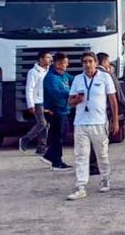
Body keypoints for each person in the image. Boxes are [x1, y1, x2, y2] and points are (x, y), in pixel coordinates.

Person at [67, 52, 119, 200]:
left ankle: (105, 179)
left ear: (96, 62)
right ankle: (81, 186)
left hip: (99, 122)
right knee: (81, 156)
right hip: (81, 123)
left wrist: (115, 120)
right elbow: (70, 101)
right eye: (85, 62)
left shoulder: (104, 77)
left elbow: (113, 101)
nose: (88, 65)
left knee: (101, 153)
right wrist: (76, 100)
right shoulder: (78, 79)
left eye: (90, 61)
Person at [42, 54, 73, 172]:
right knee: (58, 136)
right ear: (58, 64)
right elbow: (56, 93)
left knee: (64, 133)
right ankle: (57, 161)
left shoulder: (64, 75)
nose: (67, 65)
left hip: (64, 109)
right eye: (65, 63)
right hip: (54, 110)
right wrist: (70, 93)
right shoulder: (51, 78)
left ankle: (49, 155)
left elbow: (73, 80)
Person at [18, 50, 51, 155]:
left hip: (46, 101)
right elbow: (29, 88)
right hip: (37, 102)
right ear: (41, 59)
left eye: (50, 58)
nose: (50, 60)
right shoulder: (33, 72)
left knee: (46, 125)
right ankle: (25, 139)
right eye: (47, 57)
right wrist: (30, 104)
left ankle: (41, 147)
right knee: (42, 123)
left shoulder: (49, 70)